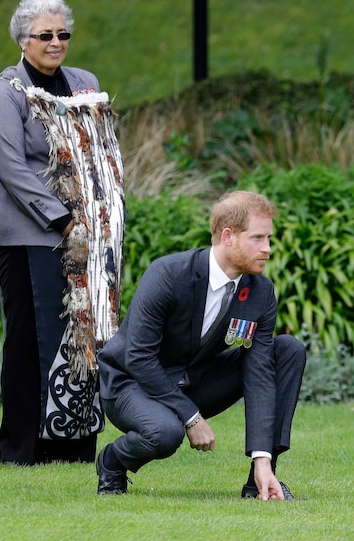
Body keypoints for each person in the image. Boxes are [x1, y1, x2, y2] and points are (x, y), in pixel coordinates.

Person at [96, 191, 307, 500]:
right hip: (131, 382)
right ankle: (113, 461)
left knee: (287, 350)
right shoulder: (168, 274)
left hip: (192, 380)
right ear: (228, 236)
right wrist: (190, 417)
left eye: (269, 238)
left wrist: (262, 457)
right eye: (258, 238)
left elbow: (259, 373)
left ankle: (260, 482)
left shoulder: (260, 292)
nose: (268, 249)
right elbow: (139, 358)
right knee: (165, 433)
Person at [0, 0, 109, 465]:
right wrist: (60, 217)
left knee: (81, 336)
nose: (56, 43)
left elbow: (99, 149)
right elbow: (11, 169)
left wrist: (99, 212)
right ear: (21, 39)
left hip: (86, 235)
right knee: (30, 339)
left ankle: (75, 443)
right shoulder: (4, 92)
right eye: (45, 35)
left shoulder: (84, 83)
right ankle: (24, 447)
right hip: (29, 234)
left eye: (63, 34)